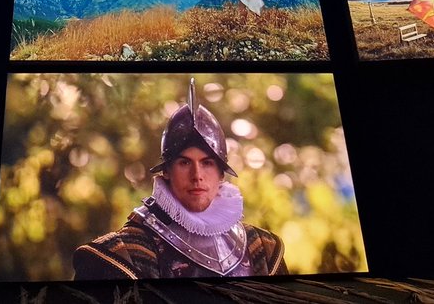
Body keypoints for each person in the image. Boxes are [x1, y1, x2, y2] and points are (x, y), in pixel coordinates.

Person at [72, 80, 287, 279]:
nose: (197, 176)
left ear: (221, 173)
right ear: (166, 171)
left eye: (207, 163)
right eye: (184, 163)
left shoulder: (262, 250)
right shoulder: (125, 254)